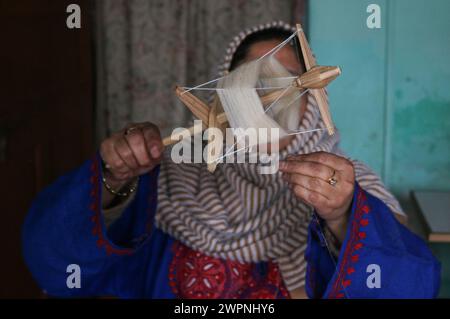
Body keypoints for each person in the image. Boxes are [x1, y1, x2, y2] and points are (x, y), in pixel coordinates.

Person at [22, 21, 440, 299]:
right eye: (252, 76)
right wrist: (116, 177)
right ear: (225, 92)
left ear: (313, 99)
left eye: (287, 77)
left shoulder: (345, 185)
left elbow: (408, 283)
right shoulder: (168, 177)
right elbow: (58, 261)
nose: (269, 90)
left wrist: (342, 216)